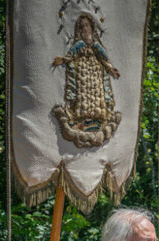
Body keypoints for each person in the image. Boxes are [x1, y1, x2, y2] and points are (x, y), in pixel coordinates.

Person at [51, 13, 121, 147]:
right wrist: (62, 60)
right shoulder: (79, 45)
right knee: (84, 96)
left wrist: (111, 69)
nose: (85, 29)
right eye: (82, 26)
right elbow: (70, 56)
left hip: (95, 73)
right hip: (82, 72)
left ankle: (97, 119)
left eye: (87, 25)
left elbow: (104, 59)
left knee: (96, 96)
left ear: (92, 27)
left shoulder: (96, 46)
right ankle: (84, 120)